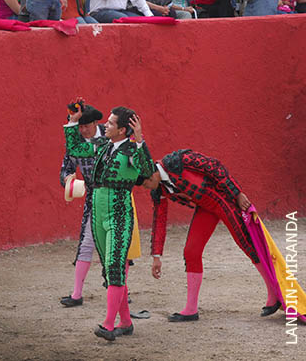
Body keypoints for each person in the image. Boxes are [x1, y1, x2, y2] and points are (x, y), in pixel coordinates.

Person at [142, 149, 287, 322]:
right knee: (191, 252)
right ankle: (190, 309)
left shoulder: (179, 160)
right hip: (206, 207)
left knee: (248, 244)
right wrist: (156, 255)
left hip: (225, 199)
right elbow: (159, 220)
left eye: (144, 184)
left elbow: (214, 167)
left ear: (152, 175)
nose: (145, 188)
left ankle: (274, 293)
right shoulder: (159, 190)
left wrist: (238, 193)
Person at [64, 105, 154, 341]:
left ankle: (109, 325)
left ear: (123, 130)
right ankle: (125, 321)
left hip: (119, 212)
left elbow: (147, 171)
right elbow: (74, 148)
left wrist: (140, 138)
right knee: (110, 270)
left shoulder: (132, 150)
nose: (106, 126)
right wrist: (74, 122)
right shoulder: (102, 146)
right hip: (97, 210)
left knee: (115, 267)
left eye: (111, 124)